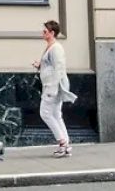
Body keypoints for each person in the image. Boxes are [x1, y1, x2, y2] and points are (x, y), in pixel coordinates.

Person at [33, 20, 76, 158]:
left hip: (52, 87)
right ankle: (66, 144)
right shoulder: (51, 47)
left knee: (45, 113)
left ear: (52, 33)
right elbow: (51, 66)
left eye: (45, 31)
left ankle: (62, 142)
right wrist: (40, 66)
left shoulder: (56, 48)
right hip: (52, 85)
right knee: (56, 114)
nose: (43, 33)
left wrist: (52, 88)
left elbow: (59, 69)